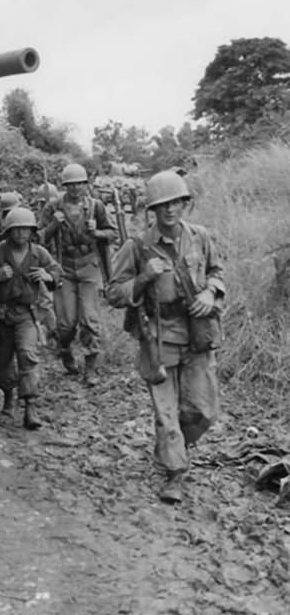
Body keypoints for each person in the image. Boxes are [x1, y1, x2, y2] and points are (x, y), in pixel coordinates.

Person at [107, 170, 224, 503]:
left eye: (176, 202)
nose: (170, 210)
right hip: (158, 337)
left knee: (204, 411)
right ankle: (175, 472)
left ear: (185, 204)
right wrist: (144, 277)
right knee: (166, 411)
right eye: (162, 205)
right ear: (153, 211)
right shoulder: (138, 247)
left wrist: (211, 294)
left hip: (199, 331)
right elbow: (114, 293)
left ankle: (174, 446)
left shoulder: (200, 236)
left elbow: (217, 272)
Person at [0, 206, 60, 430]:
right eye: (16, 229)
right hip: (0, 316)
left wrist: (48, 276)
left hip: (26, 313)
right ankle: (8, 397)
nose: (21, 234)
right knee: (3, 363)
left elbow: (57, 273)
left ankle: (30, 407)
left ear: (32, 230)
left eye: (26, 229)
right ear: (7, 231)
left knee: (27, 355)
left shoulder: (39, 253)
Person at [40, 163, 117, 385]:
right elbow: (39, 239)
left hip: (88, 267)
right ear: (64, 186)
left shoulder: (96, 207)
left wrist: (98, 232)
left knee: (90, 320)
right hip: (64, 268)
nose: (75, 189)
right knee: (66, 324)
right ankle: (64, 348)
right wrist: (54, 224)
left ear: (85, 184)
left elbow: (113, 234)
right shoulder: (52, 207)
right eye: (71, 185)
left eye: (79, 184)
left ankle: (90, 369)